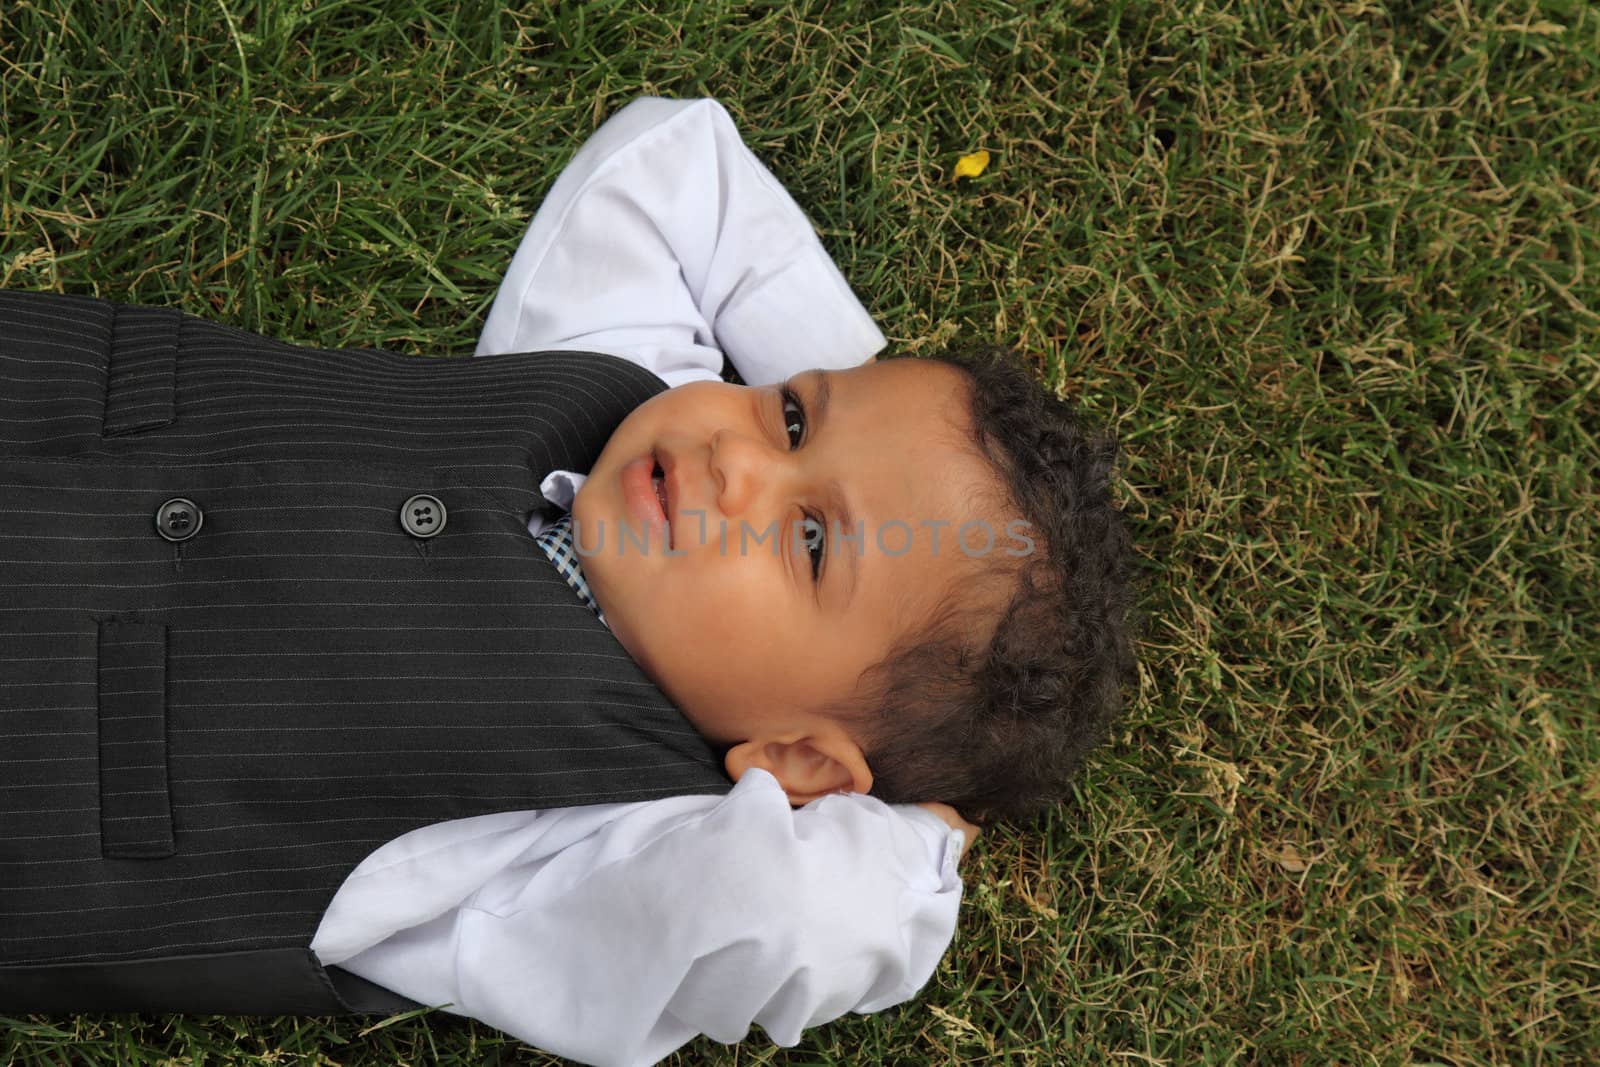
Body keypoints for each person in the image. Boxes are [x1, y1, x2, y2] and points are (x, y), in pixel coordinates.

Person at [0, 98, 1134, 1067]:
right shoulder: (621, 394)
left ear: (795, 760)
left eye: (807, 541)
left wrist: (917, 838)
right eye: (791, 412)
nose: (739, 458)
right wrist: (854, 388)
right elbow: (675, 160)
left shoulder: (591, 847)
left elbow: (793, 915)